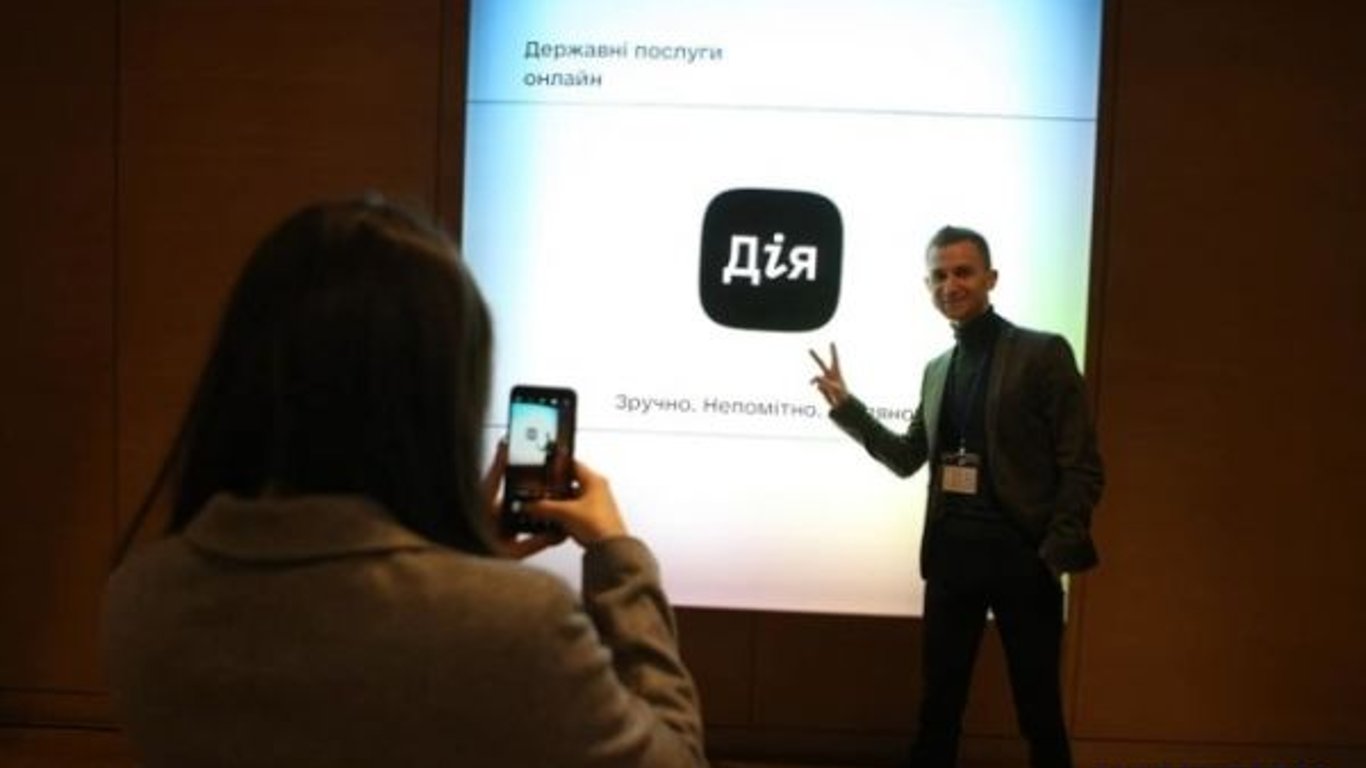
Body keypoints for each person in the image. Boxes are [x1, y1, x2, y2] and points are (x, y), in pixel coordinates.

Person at [102, 197, 708, 767]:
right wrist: (618, 558)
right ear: (441, 400)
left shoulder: (142, 600)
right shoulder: (517, 623)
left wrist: (455, 564)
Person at [808, 225, 1102, 768]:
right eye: (939, 276)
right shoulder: (937, 370)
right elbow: (907, 457)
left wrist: (1053, 552)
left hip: (1023, 561)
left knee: (1039, 712)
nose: (951, 285)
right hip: (951, 562)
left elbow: (1082, 465)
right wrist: (848, 408)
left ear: (991, 278)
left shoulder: (1042, 353)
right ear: (928, 286)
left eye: (963, 272)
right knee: (938, 711)